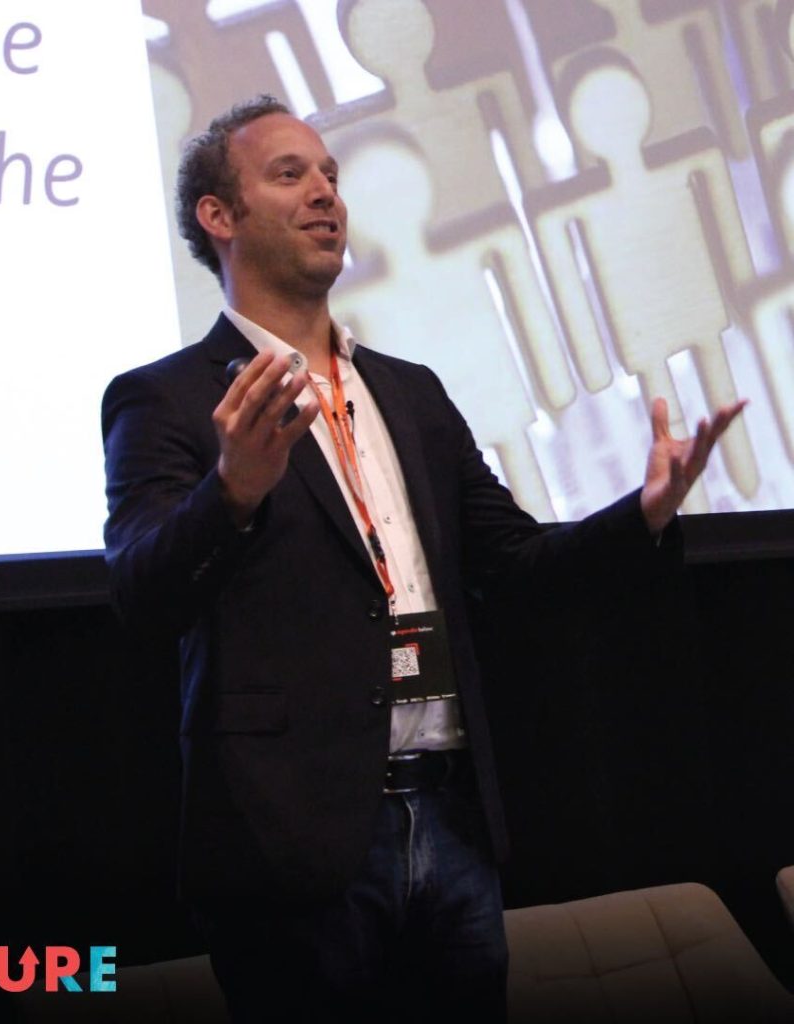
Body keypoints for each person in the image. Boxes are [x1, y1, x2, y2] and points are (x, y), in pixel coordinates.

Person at [101, 95, 745, 1023]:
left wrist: (642, 515)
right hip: (295, 847)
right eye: (289, 174)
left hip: (451, 821)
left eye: (330, 175)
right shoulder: (164, 400)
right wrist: (231, 492)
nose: (325, 192)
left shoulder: (409, 392)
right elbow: (142, 593)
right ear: (218, 216)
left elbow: (516, 565)